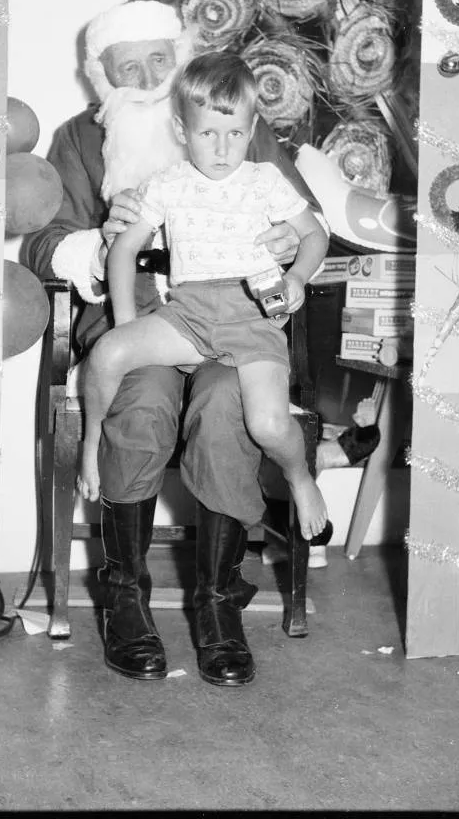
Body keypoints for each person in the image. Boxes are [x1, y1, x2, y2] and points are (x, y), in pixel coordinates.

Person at [20, 0, 375, 687]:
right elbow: (40, 245)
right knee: (142, 405)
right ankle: (124, 601)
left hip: (237, 322)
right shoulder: (76, 140)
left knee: (223, 414)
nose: (148, 78)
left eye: (160, 59)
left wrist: (282, 240)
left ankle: (219, 606)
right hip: (143, 322)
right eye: (129, 67)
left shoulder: (237, 127)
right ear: (103, 76)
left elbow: (305, 222)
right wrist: (98, 239)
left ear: (180, 58)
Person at [78, 51, 330, 559]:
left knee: (267, 424)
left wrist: (298, 275)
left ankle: (300, 476)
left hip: (251, 318)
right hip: (188, 317)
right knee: (107, 353)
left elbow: (314, 235)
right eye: (206, 134)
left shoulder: (264, 180)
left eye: (234, 134)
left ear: (252, 125)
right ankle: (89, 449)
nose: (221, 148)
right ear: (181, 128)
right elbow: (125, 248)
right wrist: (126, 325)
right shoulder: (168, 184)